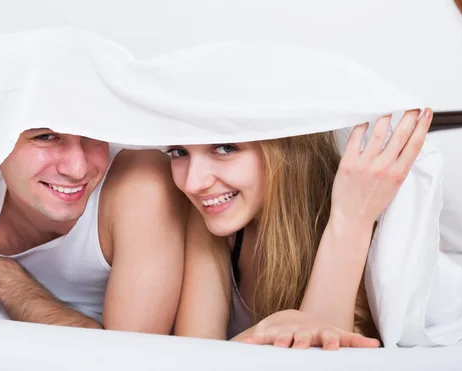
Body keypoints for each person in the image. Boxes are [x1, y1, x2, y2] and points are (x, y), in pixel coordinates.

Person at [169, 108, 433, 349]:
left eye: (225, 148)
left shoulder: (361, 217)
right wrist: (267, 329)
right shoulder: (212, 215)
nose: (193, 184)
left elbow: (322, 359)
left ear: (287, 146)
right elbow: (195, 354)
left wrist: (350, 219)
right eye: (179, 152)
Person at [0, 128, 188, 335]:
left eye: (92, 136)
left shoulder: (140, 182)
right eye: (45, 137)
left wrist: (5, 280)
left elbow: (130, 357)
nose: (77, 168)